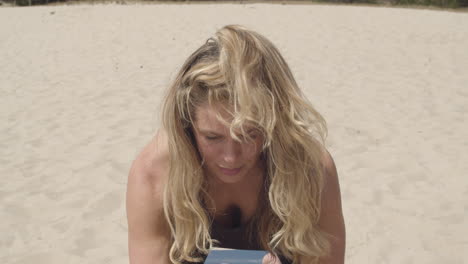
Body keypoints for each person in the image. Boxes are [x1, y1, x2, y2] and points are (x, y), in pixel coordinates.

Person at [126, 24, 346, 264]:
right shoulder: (155, 173)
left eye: (250, 134)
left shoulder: (311, 168)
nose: (231, 157)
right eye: (212, 137)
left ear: (276, 123)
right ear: (187, 126)